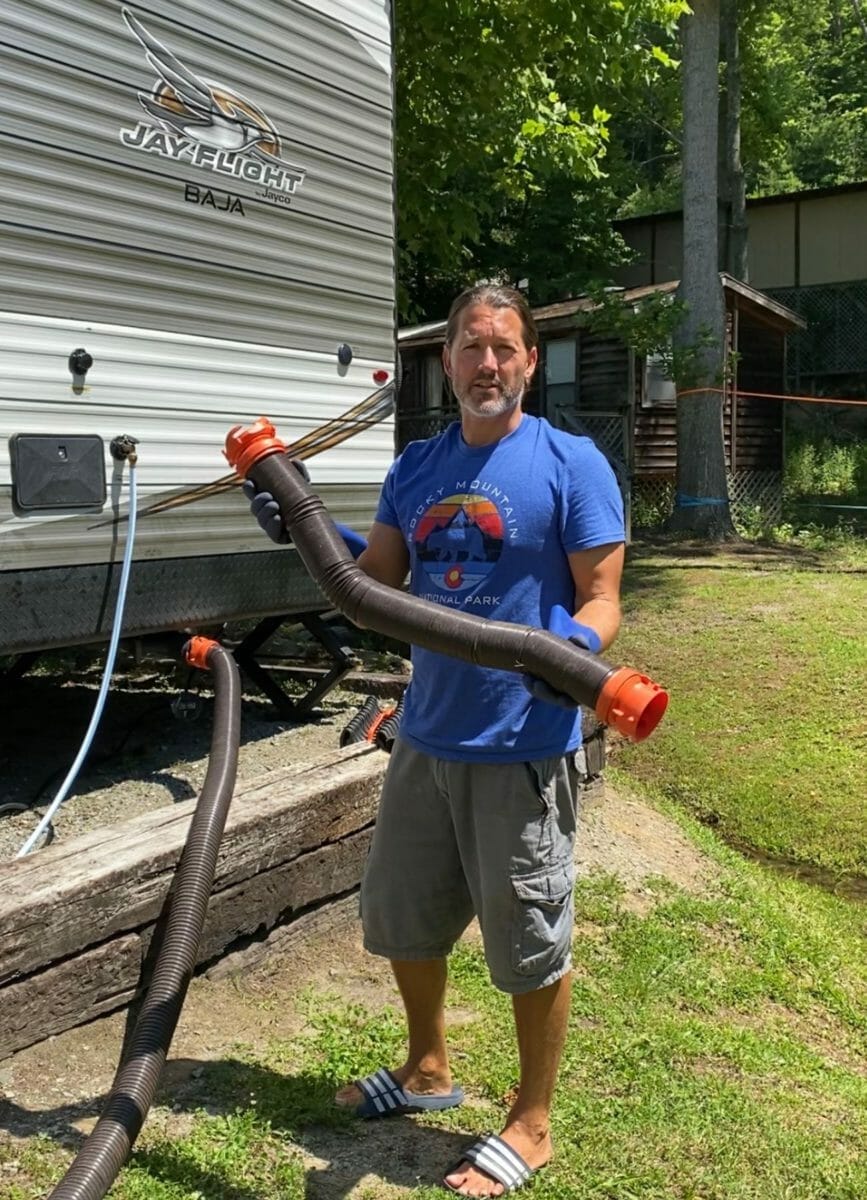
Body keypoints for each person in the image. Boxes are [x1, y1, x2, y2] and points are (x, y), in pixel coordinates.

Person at [246, 284, 625, 1197]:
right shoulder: (414, 468)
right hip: (426, 733)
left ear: (530, 360)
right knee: (402, 918)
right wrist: (306, 530)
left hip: (522, 743)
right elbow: (377, 584)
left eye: (502, 347)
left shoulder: (572, 463)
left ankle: (530, 1126)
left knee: (529, 939)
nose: (485, 364)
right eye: (468, 347)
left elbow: (603, 598)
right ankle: (427, 1070)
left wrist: (572, 647)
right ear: (445, 361)